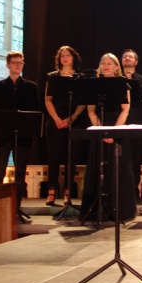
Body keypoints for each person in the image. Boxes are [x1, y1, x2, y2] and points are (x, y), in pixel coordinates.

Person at [82, 53, 136, 221]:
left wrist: (113, 132)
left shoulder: (123, 84)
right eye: (103, 63)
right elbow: (91, 111)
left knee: (116, 169)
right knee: (98, 168)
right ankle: (97, 210)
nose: (106, 65)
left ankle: (119, 210)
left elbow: (125, 110)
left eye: (109, 63)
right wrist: (100, 131)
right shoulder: (93, 85)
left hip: (117, 130)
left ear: (115, 67)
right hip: (98, 131)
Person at [0, 51, 41, 210]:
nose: (18, 65)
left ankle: (16, 207)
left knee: (20, 173)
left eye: (20, 62)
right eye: (15, 62)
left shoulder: (31, 87)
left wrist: (32, 129)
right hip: (3, 134)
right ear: (8, 65)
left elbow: (35, 112)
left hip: (22, 135)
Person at [43, 45, 86, 205]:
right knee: (54, 156)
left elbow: (83, 101)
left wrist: (72, 117)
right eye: (62, 56)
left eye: (68, 55)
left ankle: (68, 191)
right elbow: (48, 100)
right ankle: (52, 190)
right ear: (59, 59)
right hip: (55, 121)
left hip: (74, 121)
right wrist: (56, 119)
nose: (65, 58)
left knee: (72, 157)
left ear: (73, 57)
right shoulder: (52, 76)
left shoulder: (80, 78)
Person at [121, 49, 142, 199]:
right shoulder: (116, 79)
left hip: (137, 120)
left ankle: (134, 191)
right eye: (125, 56)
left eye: (130, 57)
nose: (127, 58)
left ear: (136, 62)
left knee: (135, 157)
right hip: (118, 121)